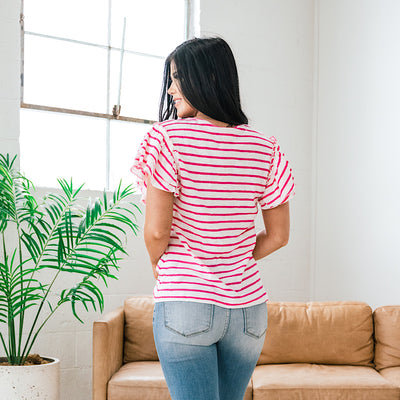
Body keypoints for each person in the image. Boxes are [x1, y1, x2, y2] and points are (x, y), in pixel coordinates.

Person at [131, 37, 295, 400]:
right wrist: (233, 254)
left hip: (186, 300)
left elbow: (156, 231)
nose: (171, 89)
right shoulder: (265, 147)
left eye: (177, 77)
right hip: (248, 312)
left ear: (207, 78)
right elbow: (278, 236)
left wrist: (159, 263)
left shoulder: (166, 138)